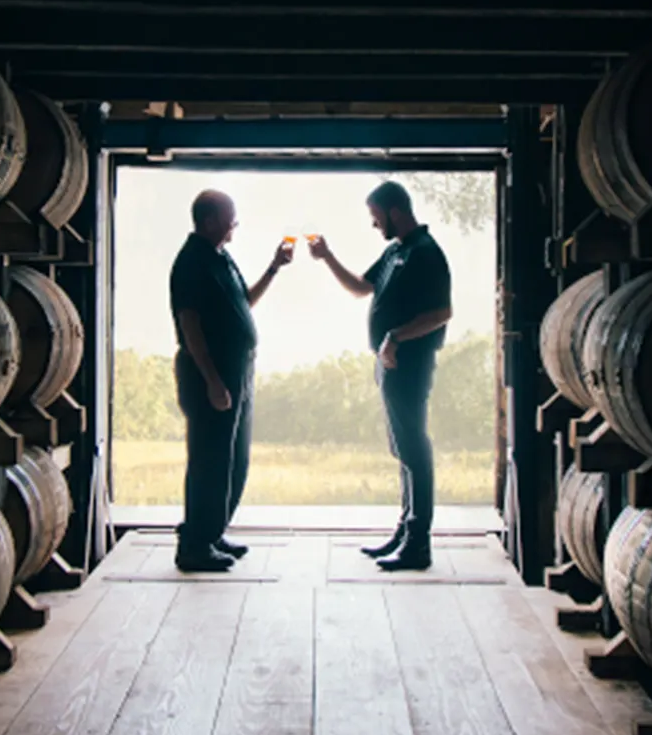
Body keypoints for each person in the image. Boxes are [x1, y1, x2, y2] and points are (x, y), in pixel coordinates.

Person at [309, 180, 452, 571]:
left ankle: (418, 544)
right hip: (389, 364)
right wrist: (327, 257)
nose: (374, 225)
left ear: (394, 211)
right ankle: (405, 532)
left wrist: (395, 337)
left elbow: (442, 313)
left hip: (411, 363)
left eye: (376, 217)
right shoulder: (395, 252)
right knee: (401, 449)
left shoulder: (426, 253)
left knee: (414, 450)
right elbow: (360, 287)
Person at [169, 190, 293, 573]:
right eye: (229, 217)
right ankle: (194, 545)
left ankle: (213, 532)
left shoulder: (221, 258)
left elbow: (243, 302)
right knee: (209, 460)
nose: (234, 222)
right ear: (208, 221)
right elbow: (190, 326)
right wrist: (212, 379)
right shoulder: (192, 261)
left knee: (232, 460)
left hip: (237, 373)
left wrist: (273, 268)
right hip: (213, 376)